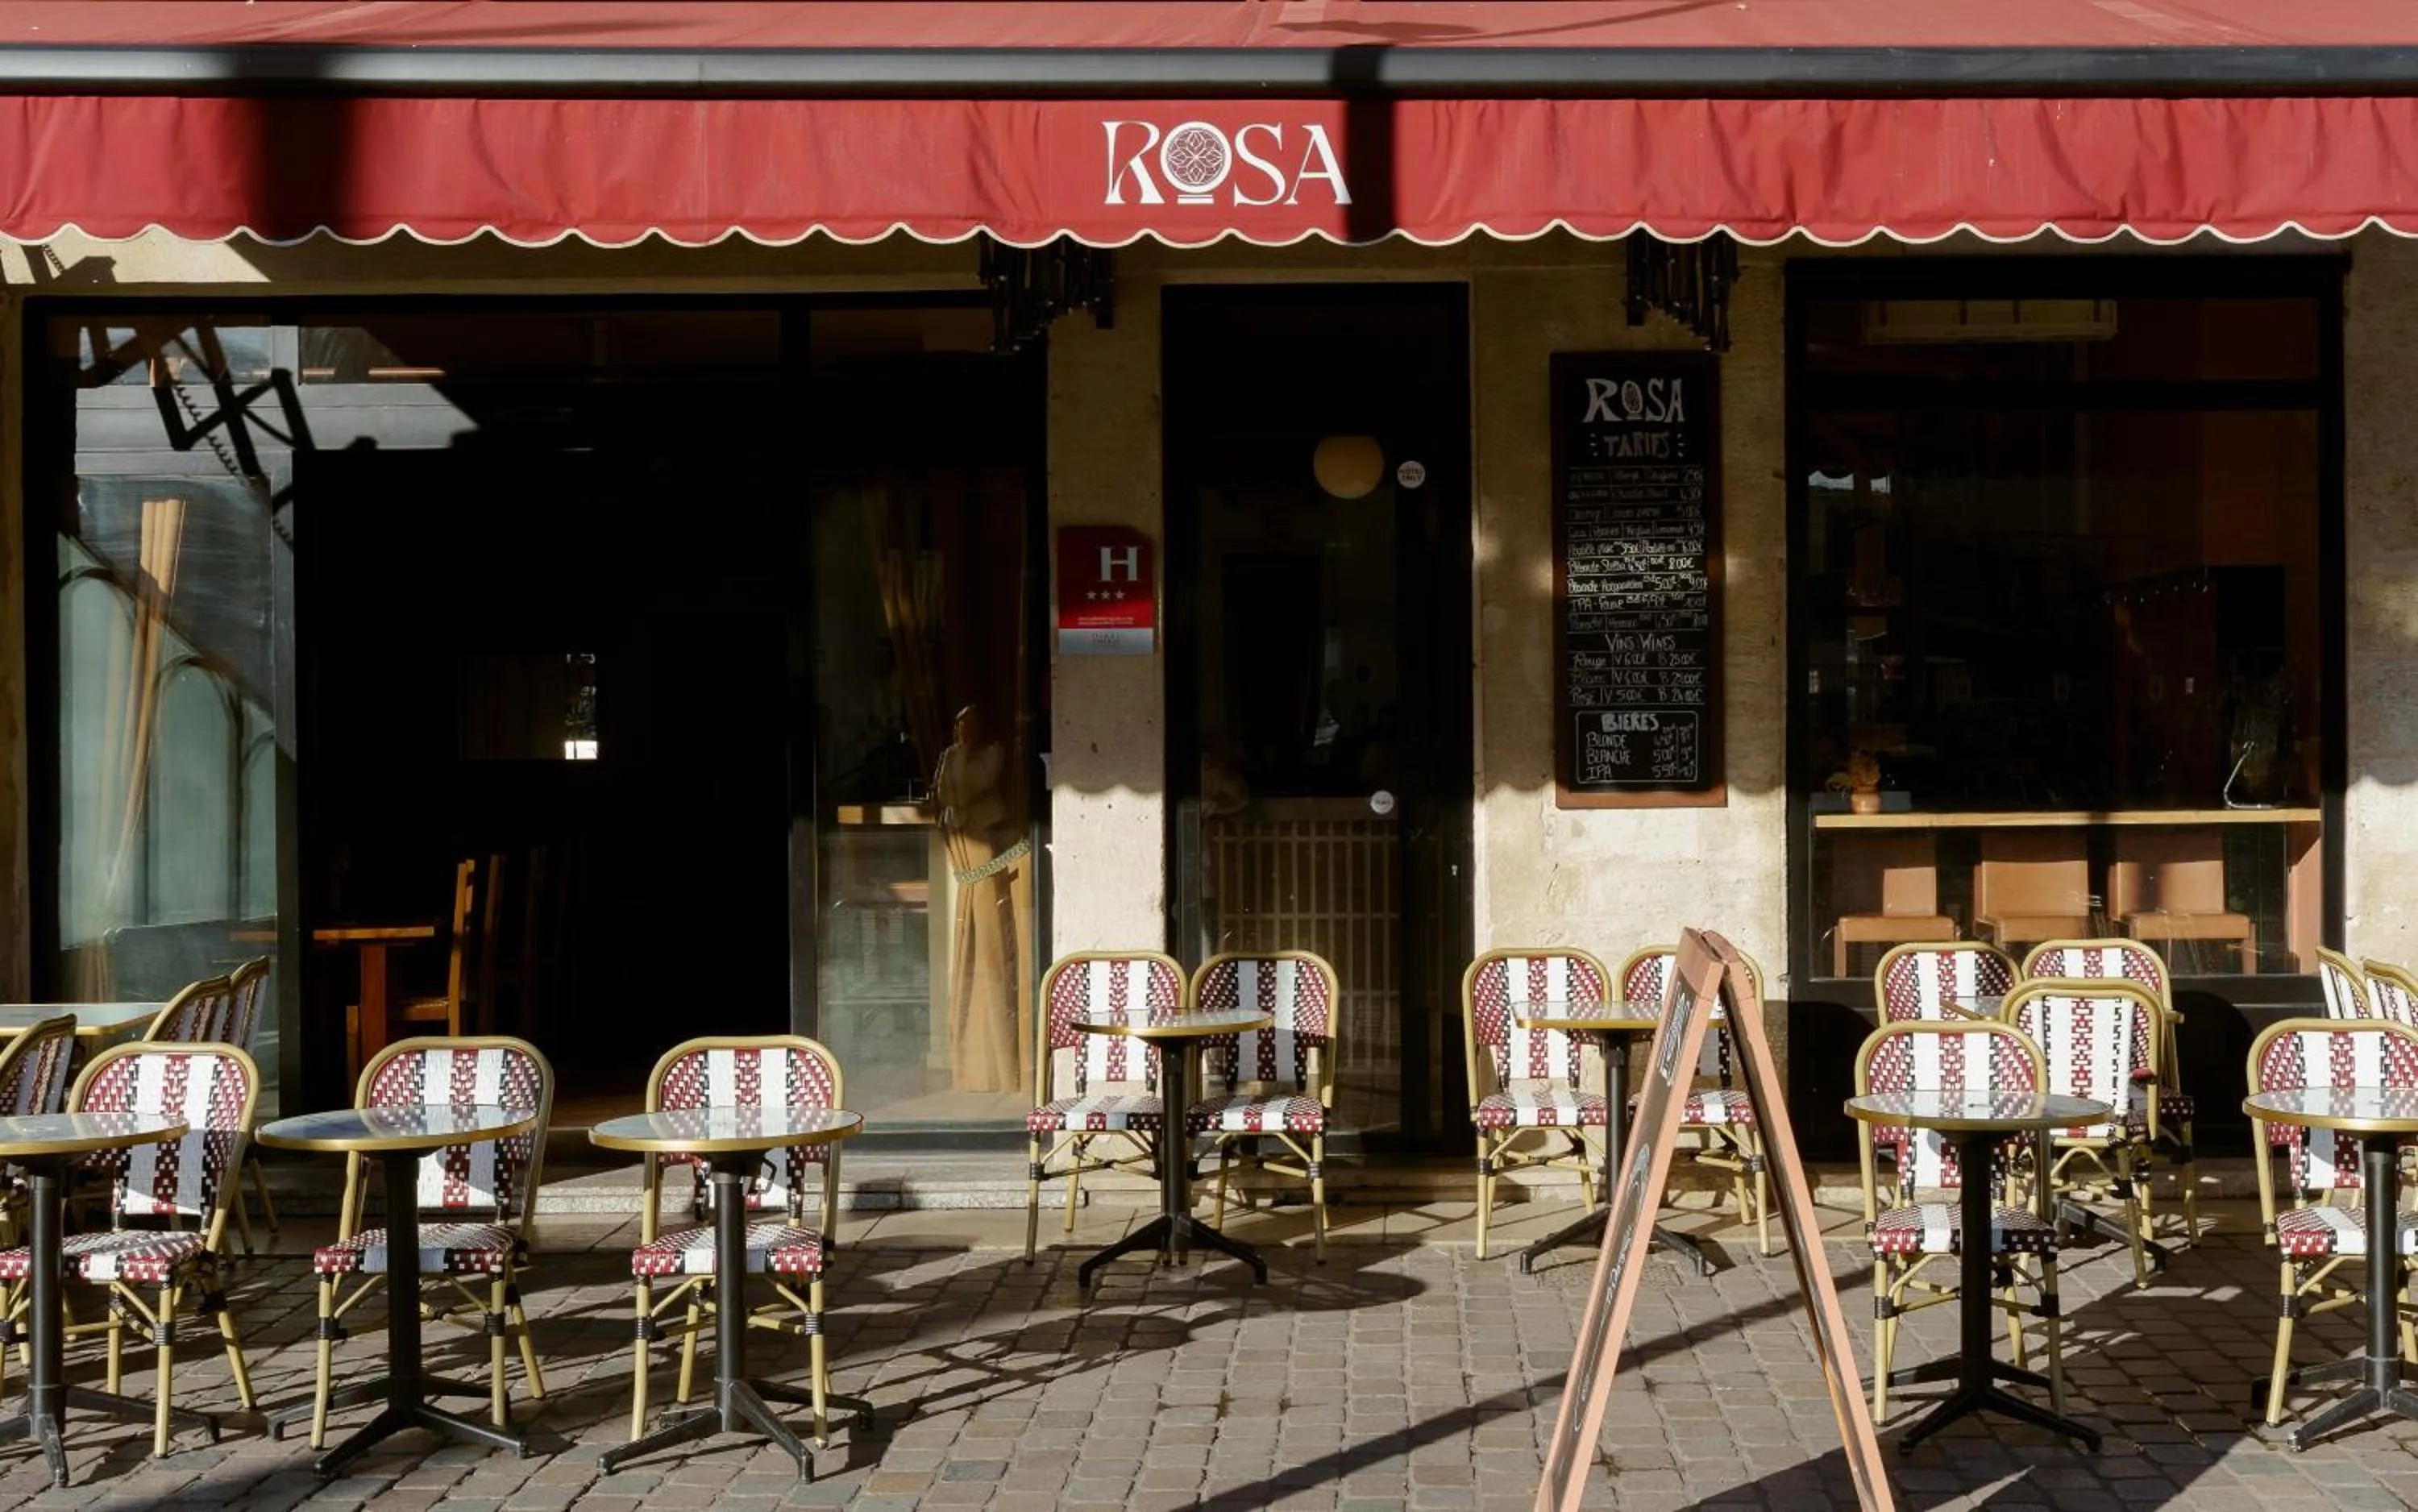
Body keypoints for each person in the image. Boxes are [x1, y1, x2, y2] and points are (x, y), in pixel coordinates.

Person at [934, 705, 1032, 1095]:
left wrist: (962, 788)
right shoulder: (947, 755)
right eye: (959, 723)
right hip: (961, 832)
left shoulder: (991, 754)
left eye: (969, 723)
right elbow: (943, 789)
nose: (963, 730)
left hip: (987, 829)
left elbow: (980, 784)